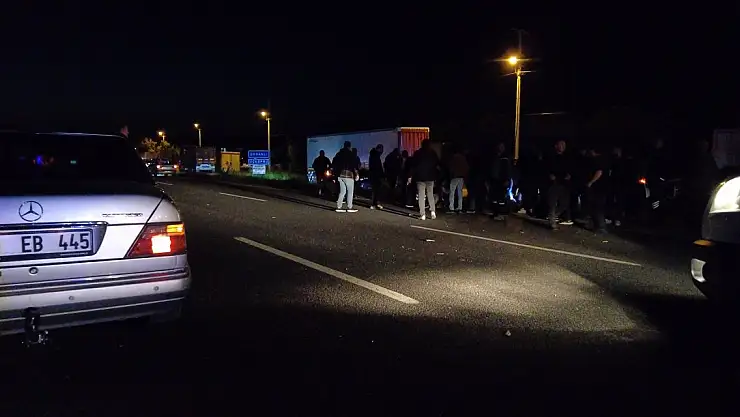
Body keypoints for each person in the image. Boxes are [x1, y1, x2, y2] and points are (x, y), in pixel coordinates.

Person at [544, 140, 572, 230]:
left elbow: (570, 168)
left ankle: (552, 216)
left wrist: (569, 175)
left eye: (564, 145)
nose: (563, 146)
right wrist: (550, 175)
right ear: (556, 146)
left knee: (564, 203)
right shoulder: (551, 157)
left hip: (564, 183)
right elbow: (546, 167)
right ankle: (552, 223)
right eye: (561, 145)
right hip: (554, 183)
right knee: (552, 203)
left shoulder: (566, 158)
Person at [408, 139, 439, 220]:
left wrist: (410, 176)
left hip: (420, 177)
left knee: (421, 196)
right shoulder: (433, 153)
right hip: (430, 177)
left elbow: (413, 165)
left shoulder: (417, 153)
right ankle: (433, 211)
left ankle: (423, 214)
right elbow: (437, 164)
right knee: (430, 194)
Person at [584, 147, 608, 233]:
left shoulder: (597, 160)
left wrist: (591, 182)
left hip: (597, 188)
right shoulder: (604, 160)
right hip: (602, 187)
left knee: (596, 207)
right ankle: (600, 226)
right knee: (598, 207)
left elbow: (599, 172)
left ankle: (600, 227)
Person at [333, 141, 359, 213]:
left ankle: (339, 207)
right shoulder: (351, 154)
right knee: (350, 192)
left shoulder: (338, 154)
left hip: (340, 175)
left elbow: (334, 163)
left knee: (342, 192)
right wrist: (356, 174)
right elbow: (354, 165)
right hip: (348, 175)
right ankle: (349, 207)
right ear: (349, 146)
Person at [489, 142, 512, 220]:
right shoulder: (496, 157)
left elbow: (507, 170)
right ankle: (496, 213)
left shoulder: (505, 158)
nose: (500, 148)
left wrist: (507, 180)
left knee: (501, 198)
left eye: (502, 146)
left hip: (502, 180)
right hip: (495, 180)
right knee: (495, 198)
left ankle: (501, 214)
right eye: (499, 146)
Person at [447, 146, 469, 213]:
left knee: (452, 192)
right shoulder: (463, 158)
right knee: (460, 192)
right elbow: (466, 167)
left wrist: (451, 174)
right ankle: (460, 207)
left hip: (455, 176)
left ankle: (451, 207)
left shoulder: (453, 158)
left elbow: (451, 167)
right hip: (461, 177)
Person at [369, 144, 385, 209]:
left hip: (372, 174)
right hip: (376, 175)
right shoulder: (376, 156)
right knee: (377, 190)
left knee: (374, 190)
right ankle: (376, 203)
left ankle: (374, 204)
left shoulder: (372, 155)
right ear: (379, 149)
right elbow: (378, 166)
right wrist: (382, 175)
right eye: (382, 149)